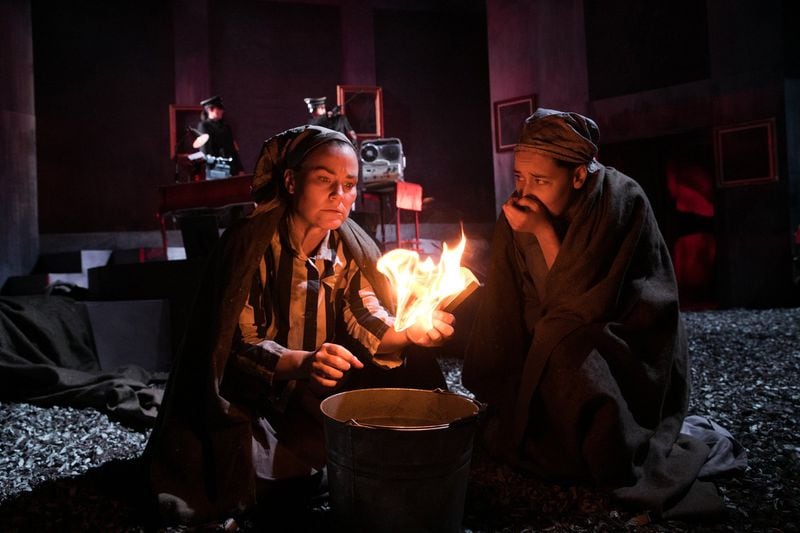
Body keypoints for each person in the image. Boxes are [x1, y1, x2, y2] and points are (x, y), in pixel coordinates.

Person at [144, 124, 455, 527]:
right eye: (325, 180)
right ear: (291, 181)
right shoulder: (251, 246)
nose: (339, 197)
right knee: (240, 474)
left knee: (399, 416)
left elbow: (366, 315)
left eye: (349, 185)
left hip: (307, 394)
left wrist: (410, 331)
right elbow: (236, 344)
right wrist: (304, 362)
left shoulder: (348, 246)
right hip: (250, 395)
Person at [463, 108, 727, 520]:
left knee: (568, 354)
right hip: (555, 323)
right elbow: (508, 297)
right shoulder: (521, 211)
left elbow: (586, 302)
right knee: (533, 347)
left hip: (621, 333)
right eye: (519, 177)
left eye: (540, 181)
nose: (525, 191)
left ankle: (603, 447)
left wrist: (544, 233)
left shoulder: (620, 200)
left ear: (578, 176)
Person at [197, 95, 244, 176]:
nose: (222, 111)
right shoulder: (204, 126)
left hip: (231, 168)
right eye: (218, 108)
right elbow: (205, 151)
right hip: (216, 170)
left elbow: (233, 149)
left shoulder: (226, 127)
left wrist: (240, 168)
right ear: (210, 109)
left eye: (222, 108)